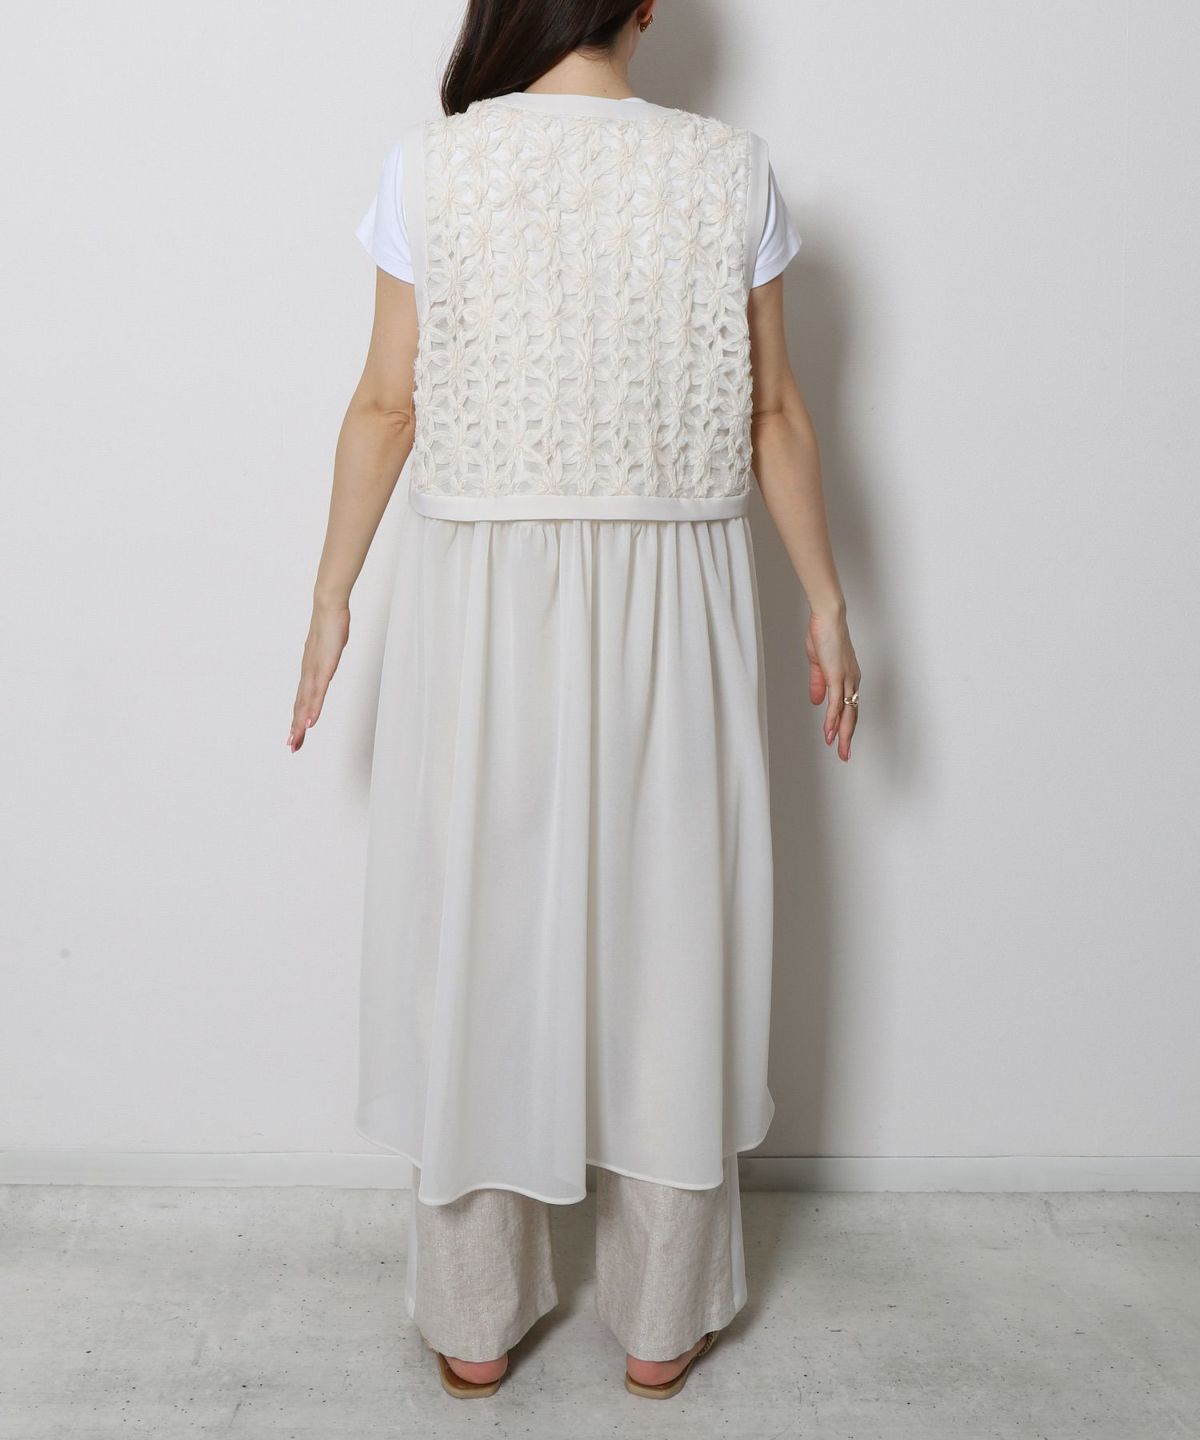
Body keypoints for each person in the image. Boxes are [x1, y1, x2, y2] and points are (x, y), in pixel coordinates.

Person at [288, 0, 861, 1402]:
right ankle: (661, 1320)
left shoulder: (430, 167)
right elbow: (775, 413)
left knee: (480, 932)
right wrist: (828, 602)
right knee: (672, 932)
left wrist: (331, 597)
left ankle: (474, 1318)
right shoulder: (730, 168)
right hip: (678, 606)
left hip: (485, 607)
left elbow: (385, 404)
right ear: (646, 7)